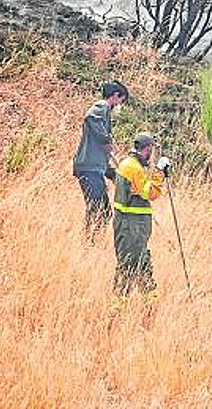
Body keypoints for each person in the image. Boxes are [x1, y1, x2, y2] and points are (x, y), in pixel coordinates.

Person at [112, 131, 170, 296]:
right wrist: (159, 171)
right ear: (148, 149)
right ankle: (119, 305)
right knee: (128, 265)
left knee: (143, 263)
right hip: (131, 227)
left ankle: (149, 304)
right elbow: (150, 193)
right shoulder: (133, 168)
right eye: (152, 149)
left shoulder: (129, 164)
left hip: (132, 226)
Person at [71, 81, 128, 243]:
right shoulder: (102, 106)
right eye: (121, 100)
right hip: (89, 169)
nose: (119, 105)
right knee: (98, 209)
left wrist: (115, 176)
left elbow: (102, 155)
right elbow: (90, 118)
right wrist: (106, 139)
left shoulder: (105, 115)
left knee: (104, 210)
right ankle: (89, 242)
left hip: (95, 168)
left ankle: (92, 242)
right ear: (116, 96)